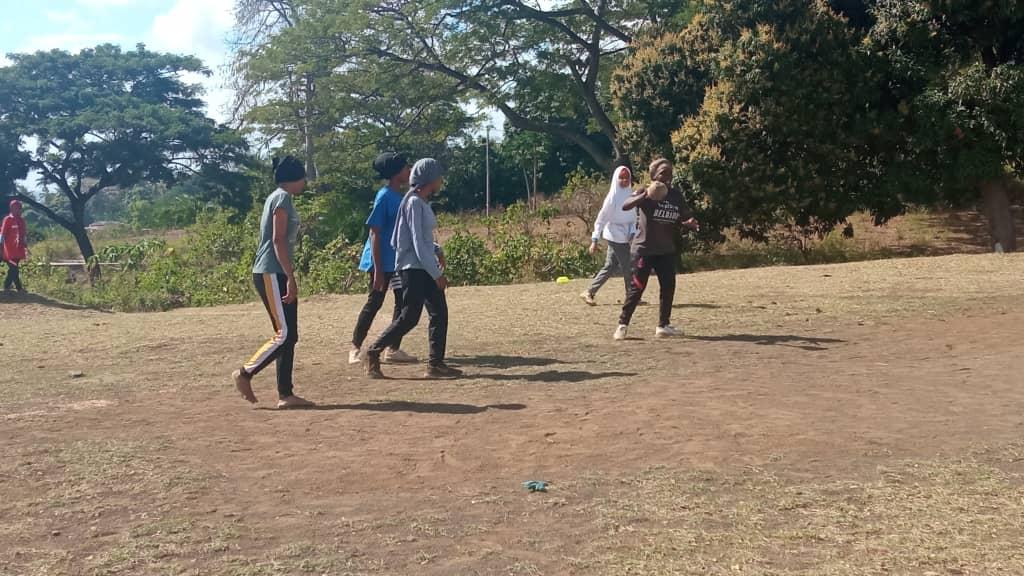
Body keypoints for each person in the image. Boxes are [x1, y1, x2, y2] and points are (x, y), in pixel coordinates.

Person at [365, 158, 462, 379]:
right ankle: (373, 351)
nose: (441, 180)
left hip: (423, 265)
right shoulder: (414, 203)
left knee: (439, 313)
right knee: (409, 316)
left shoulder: (421, 202)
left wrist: (437, 250)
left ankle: (435, 364)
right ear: (430, 179)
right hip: (414, 269)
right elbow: (417, 243)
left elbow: (422, 240)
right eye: (439, 176)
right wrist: (436, 274)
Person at [232, 156, 315, 409]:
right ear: (295, 178)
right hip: (271, 272)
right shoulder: (281, 198)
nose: (305, 182)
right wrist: (290, 277)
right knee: (285, 333)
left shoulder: (280, 198)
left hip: (276, 271)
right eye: (303, 177)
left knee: (290, 335)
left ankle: (286, 394)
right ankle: (245, 373)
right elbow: (278, 240)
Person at [614, 158, 700, 341]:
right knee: (637, 289)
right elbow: (625, 205)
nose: (667, 177)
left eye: (669, 173)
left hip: (666, 250)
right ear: (653, 176)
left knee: (668, 287)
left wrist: (688, 223)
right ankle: (623, 324)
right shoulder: (644, 192)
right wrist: (646, 195)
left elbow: (677, 218)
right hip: (644, 250)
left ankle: (663, 325)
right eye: (663, 173)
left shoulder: (675, 196)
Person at [348, 152, 419, 366]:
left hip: (395, 262)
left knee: (401, 302)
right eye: (406, 168)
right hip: (380, 261)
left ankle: (392, 348)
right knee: (375, 302)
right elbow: (375, 232)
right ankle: (355, 347)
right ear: (397, 173)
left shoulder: (401, 196)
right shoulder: (384, 196)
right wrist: (378, 270)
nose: (409, 170)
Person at [580, 166, 637, 306]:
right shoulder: (612, 198)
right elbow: (601, 220)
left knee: (610, 266)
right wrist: (594, 240)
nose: (624, 180)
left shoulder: (631, 195)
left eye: (626, 178)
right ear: (616, 179)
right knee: (628, 265)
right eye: (621, 178)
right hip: (614, 235)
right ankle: (631, 296)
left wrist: (632, 233)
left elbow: (632, 218)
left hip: (625, 236)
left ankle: (589, 291)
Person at [1, 200, 28, 292]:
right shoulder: (8, 219)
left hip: (18, 249)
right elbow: (3, 234)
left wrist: (25, 243)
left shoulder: (22, 220)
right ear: (11, 208)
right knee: (14, 268)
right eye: (14, 208)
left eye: (18, 208)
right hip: (8, 249)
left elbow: (24, 234)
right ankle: (12, 287)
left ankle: (15, 287)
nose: (17, 210)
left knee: (14, 268)